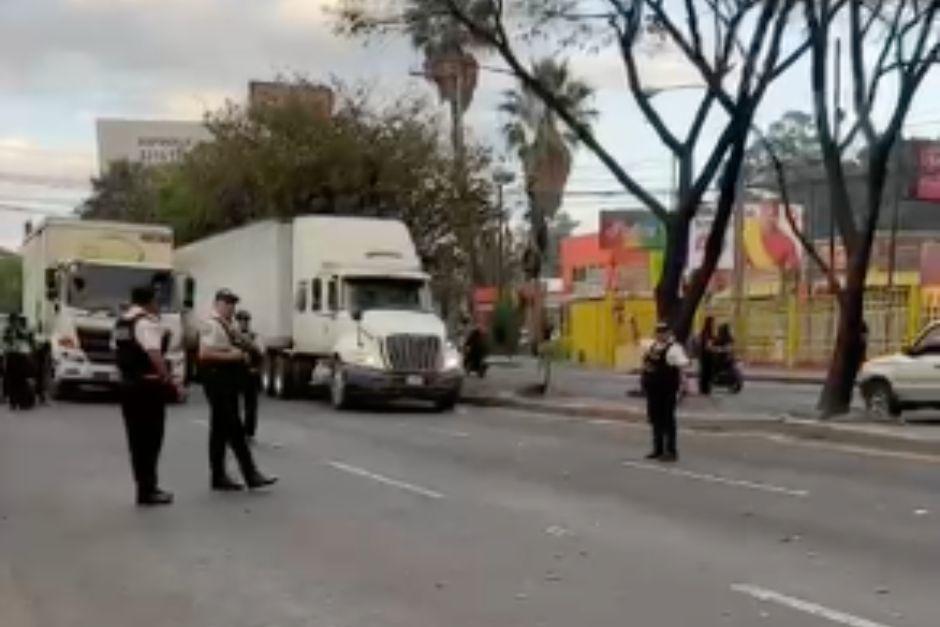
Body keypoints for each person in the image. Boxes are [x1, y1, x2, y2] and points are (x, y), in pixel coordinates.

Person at [199, 289, 277, 491]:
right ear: (217, 304)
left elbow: (240, 344)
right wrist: (235, 357)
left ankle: (218, 476)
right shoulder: (211, 325)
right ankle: (251, 474)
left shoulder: (229, 325)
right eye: (227, 303)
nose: (231, 307)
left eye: (233, 303)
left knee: (219, 431)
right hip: (217, 381)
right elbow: (205, 354)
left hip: (228, 382)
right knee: (235, 429)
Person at [114, 286, 179, 506]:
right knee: (152, 440)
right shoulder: (145, 323)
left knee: (136, 442)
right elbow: (155, 355)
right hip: (147, 388)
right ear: (149, 302)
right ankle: (149, 489)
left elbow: (118, 351)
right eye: (156, 301)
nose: (158, 305)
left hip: (128, 386)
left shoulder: (122, 323)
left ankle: (143, 488)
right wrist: (168, 379)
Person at [640, 321, 690, 462]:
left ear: (668, 333)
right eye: (658, 332)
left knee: (668, 420)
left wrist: (684, 384)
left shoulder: (674, 349)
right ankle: (658, 449)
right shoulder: (652, 346)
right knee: (655, 419)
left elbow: (683, 365)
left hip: (666, 390)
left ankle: (671, 451)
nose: (660, 335)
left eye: (663, 332)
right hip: (653, 390)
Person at [234, 310, 263, 439]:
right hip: (237, 373)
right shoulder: (233, 337)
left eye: (246, 321)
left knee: (251, 405)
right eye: (241, 321)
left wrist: (257, 368)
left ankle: (249, 431)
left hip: (251, 373)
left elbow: (261, 353)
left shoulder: (254, 336)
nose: (244, 323)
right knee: (234, 404)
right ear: (238, 322)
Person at [3, 313, 36, 410]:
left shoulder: (23, 330)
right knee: (12, 380)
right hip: (12, 355)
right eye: (13, 320)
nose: (15, 322)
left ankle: (22, 402)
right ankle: (13, 402)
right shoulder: (7, 330)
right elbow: (5, 342)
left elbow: (28, 339)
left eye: (16, 320)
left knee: (21, 380)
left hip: (21, 356)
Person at [698, 316, 716, 396]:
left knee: (704, 372)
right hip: (707, 356)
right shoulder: (707, 333)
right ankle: (705, 389)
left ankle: (703, 388)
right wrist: (714, 349)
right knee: (707, 372)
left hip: (704, 355)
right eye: (712, 322)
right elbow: (708, 345)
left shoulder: (704, 332)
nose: (714, 324)